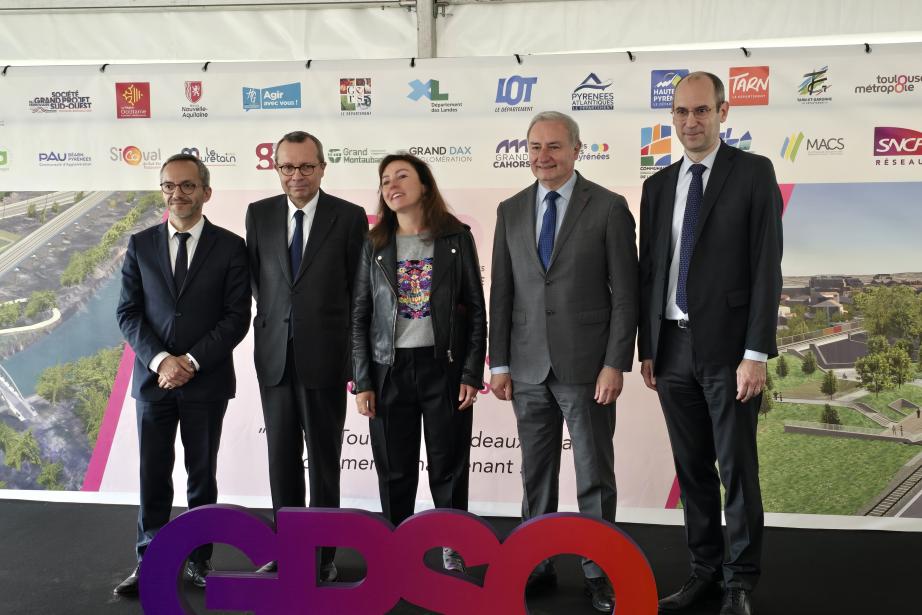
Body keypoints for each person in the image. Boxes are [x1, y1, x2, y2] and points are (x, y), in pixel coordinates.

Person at [638, 72, 783, 615]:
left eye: (701, 111)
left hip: (729, 352)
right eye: (680, 112)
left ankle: (740, 581)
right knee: (692, 466)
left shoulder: (753, 173)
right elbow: (650, 269)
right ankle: (703, 570)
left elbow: (766, 265)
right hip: (670, 348)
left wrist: (756, 353)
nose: (690, 122)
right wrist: (646, 347)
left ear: (723, 112)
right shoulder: (658, 185)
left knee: (737, 467)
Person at [488, 111, 638, 612]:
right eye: (534, 147)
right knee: (536, 476)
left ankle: (600, 569)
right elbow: (503, 294)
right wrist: (499, 362)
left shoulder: (610, 207)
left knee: (594, 474)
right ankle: (536, 561)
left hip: (588, 367)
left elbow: (626, 295)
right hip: (527, 367)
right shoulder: (509, 210)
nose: (543, 156)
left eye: (554, 146)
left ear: (577, 149)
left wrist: (616, 362)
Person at [114, 153, 251, 595]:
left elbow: (236, 317)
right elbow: (129, 313)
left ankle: (198, 561)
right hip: (153, 383)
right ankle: (149, 561)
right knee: (153, 475)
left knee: (200, 476)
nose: (178, 193)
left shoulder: (232, 247)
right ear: (163, 191)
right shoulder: (140, 245)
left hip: (205, 382)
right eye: (170, 185)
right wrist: (161, 361)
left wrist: (190, 361)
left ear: (206, 192)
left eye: (188, 185)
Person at [351, 152, 487, 572]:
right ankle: (398, 547)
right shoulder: (373, 244)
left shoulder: (455, 238)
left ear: (424, 185)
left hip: (442, 367)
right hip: (388, 369)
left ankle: (451, 543)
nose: (391, 185)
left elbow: (476, 312)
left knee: (448, 463)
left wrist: (470, 372)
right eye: (385, 179)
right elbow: (359, 317)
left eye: (402, 176)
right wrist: (363, 381)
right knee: (395, 467)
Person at [245, 131, 368, 580]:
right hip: (275, 357)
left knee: (323, 460)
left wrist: (358, 360)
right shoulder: (258, 215)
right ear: (276, 168)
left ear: (322, 167)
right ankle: (289, 548)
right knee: (281, 459)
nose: (296, 176)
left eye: (305, 166)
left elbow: (359, 293)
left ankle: (323, 555)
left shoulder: (349, 217)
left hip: (327, 357)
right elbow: (261, 284)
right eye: (287, 167)